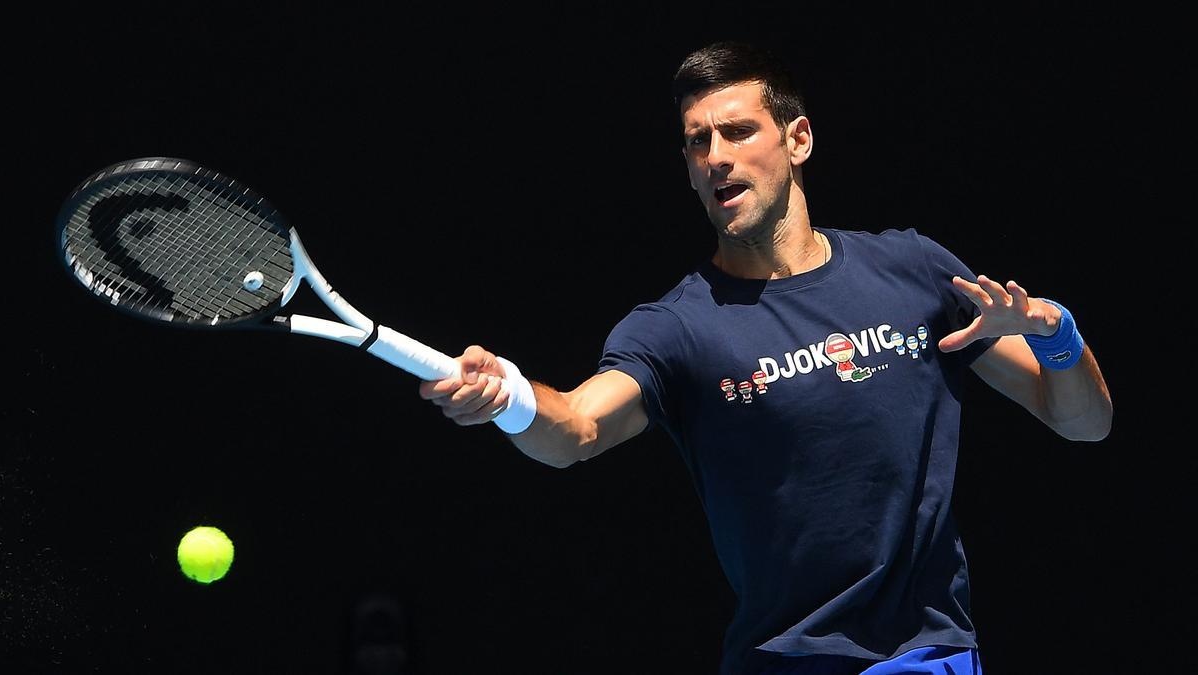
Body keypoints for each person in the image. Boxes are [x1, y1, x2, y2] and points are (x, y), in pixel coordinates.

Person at [418, 41, 1112, 675]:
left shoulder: (914, 270)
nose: (716, 155)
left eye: (738, 131)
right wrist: (508, 393)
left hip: (920, 653)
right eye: (697, 142)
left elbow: (1083, 421)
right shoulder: (677, 328)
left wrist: (1058, 337)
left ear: (798, 138)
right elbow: (575, 427)